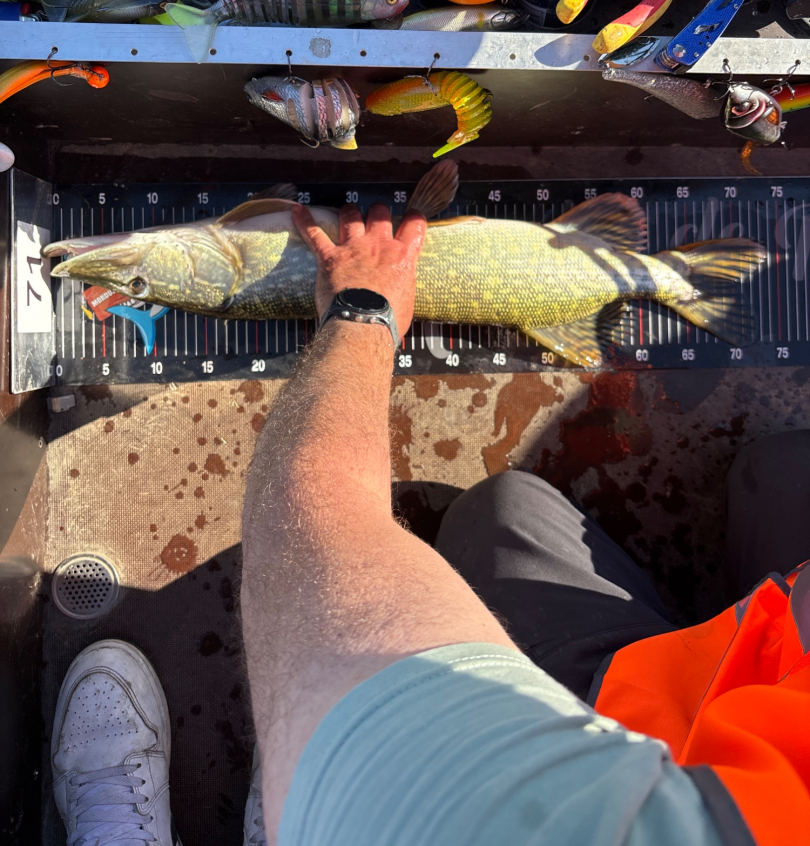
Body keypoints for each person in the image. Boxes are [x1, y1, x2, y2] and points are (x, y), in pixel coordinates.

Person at [50, 201, 810, 846]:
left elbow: (316, 539)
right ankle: (297, 787)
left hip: (674, 724)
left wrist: (361, 309)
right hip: (745, 701)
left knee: (496, 517)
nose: (128, 270)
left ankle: (306, 788)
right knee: (775, 472)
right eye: (138, 277)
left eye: (142, 277)